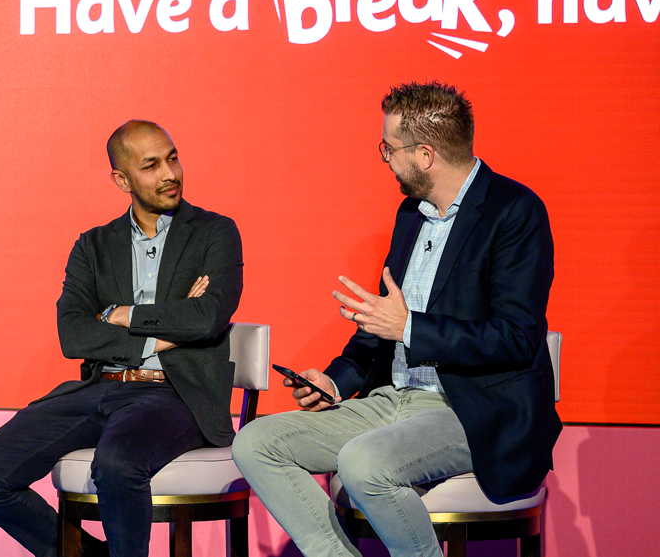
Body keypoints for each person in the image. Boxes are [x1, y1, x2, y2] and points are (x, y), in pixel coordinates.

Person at [232, 82, 561, 557]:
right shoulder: (411, 213)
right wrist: (335, 381)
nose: (384, 158)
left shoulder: (515, 212)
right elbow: (383, 324)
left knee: (363, 462)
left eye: (389, 147)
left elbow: (514, 336)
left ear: (425, 154)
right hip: (392, 400)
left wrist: (409, 328)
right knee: (258, 442)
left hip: (470, 409)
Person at [0, 120, 244, 557]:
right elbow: (73, 333)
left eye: (172, 158)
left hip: (175, 393)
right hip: (100, 387)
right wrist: (162, 334)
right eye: (151, 165)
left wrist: (120, 315)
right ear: (122, 179)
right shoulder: (92, 246)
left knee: (116, 463)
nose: (170, 173)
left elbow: (206, 318)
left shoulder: (215, 233)